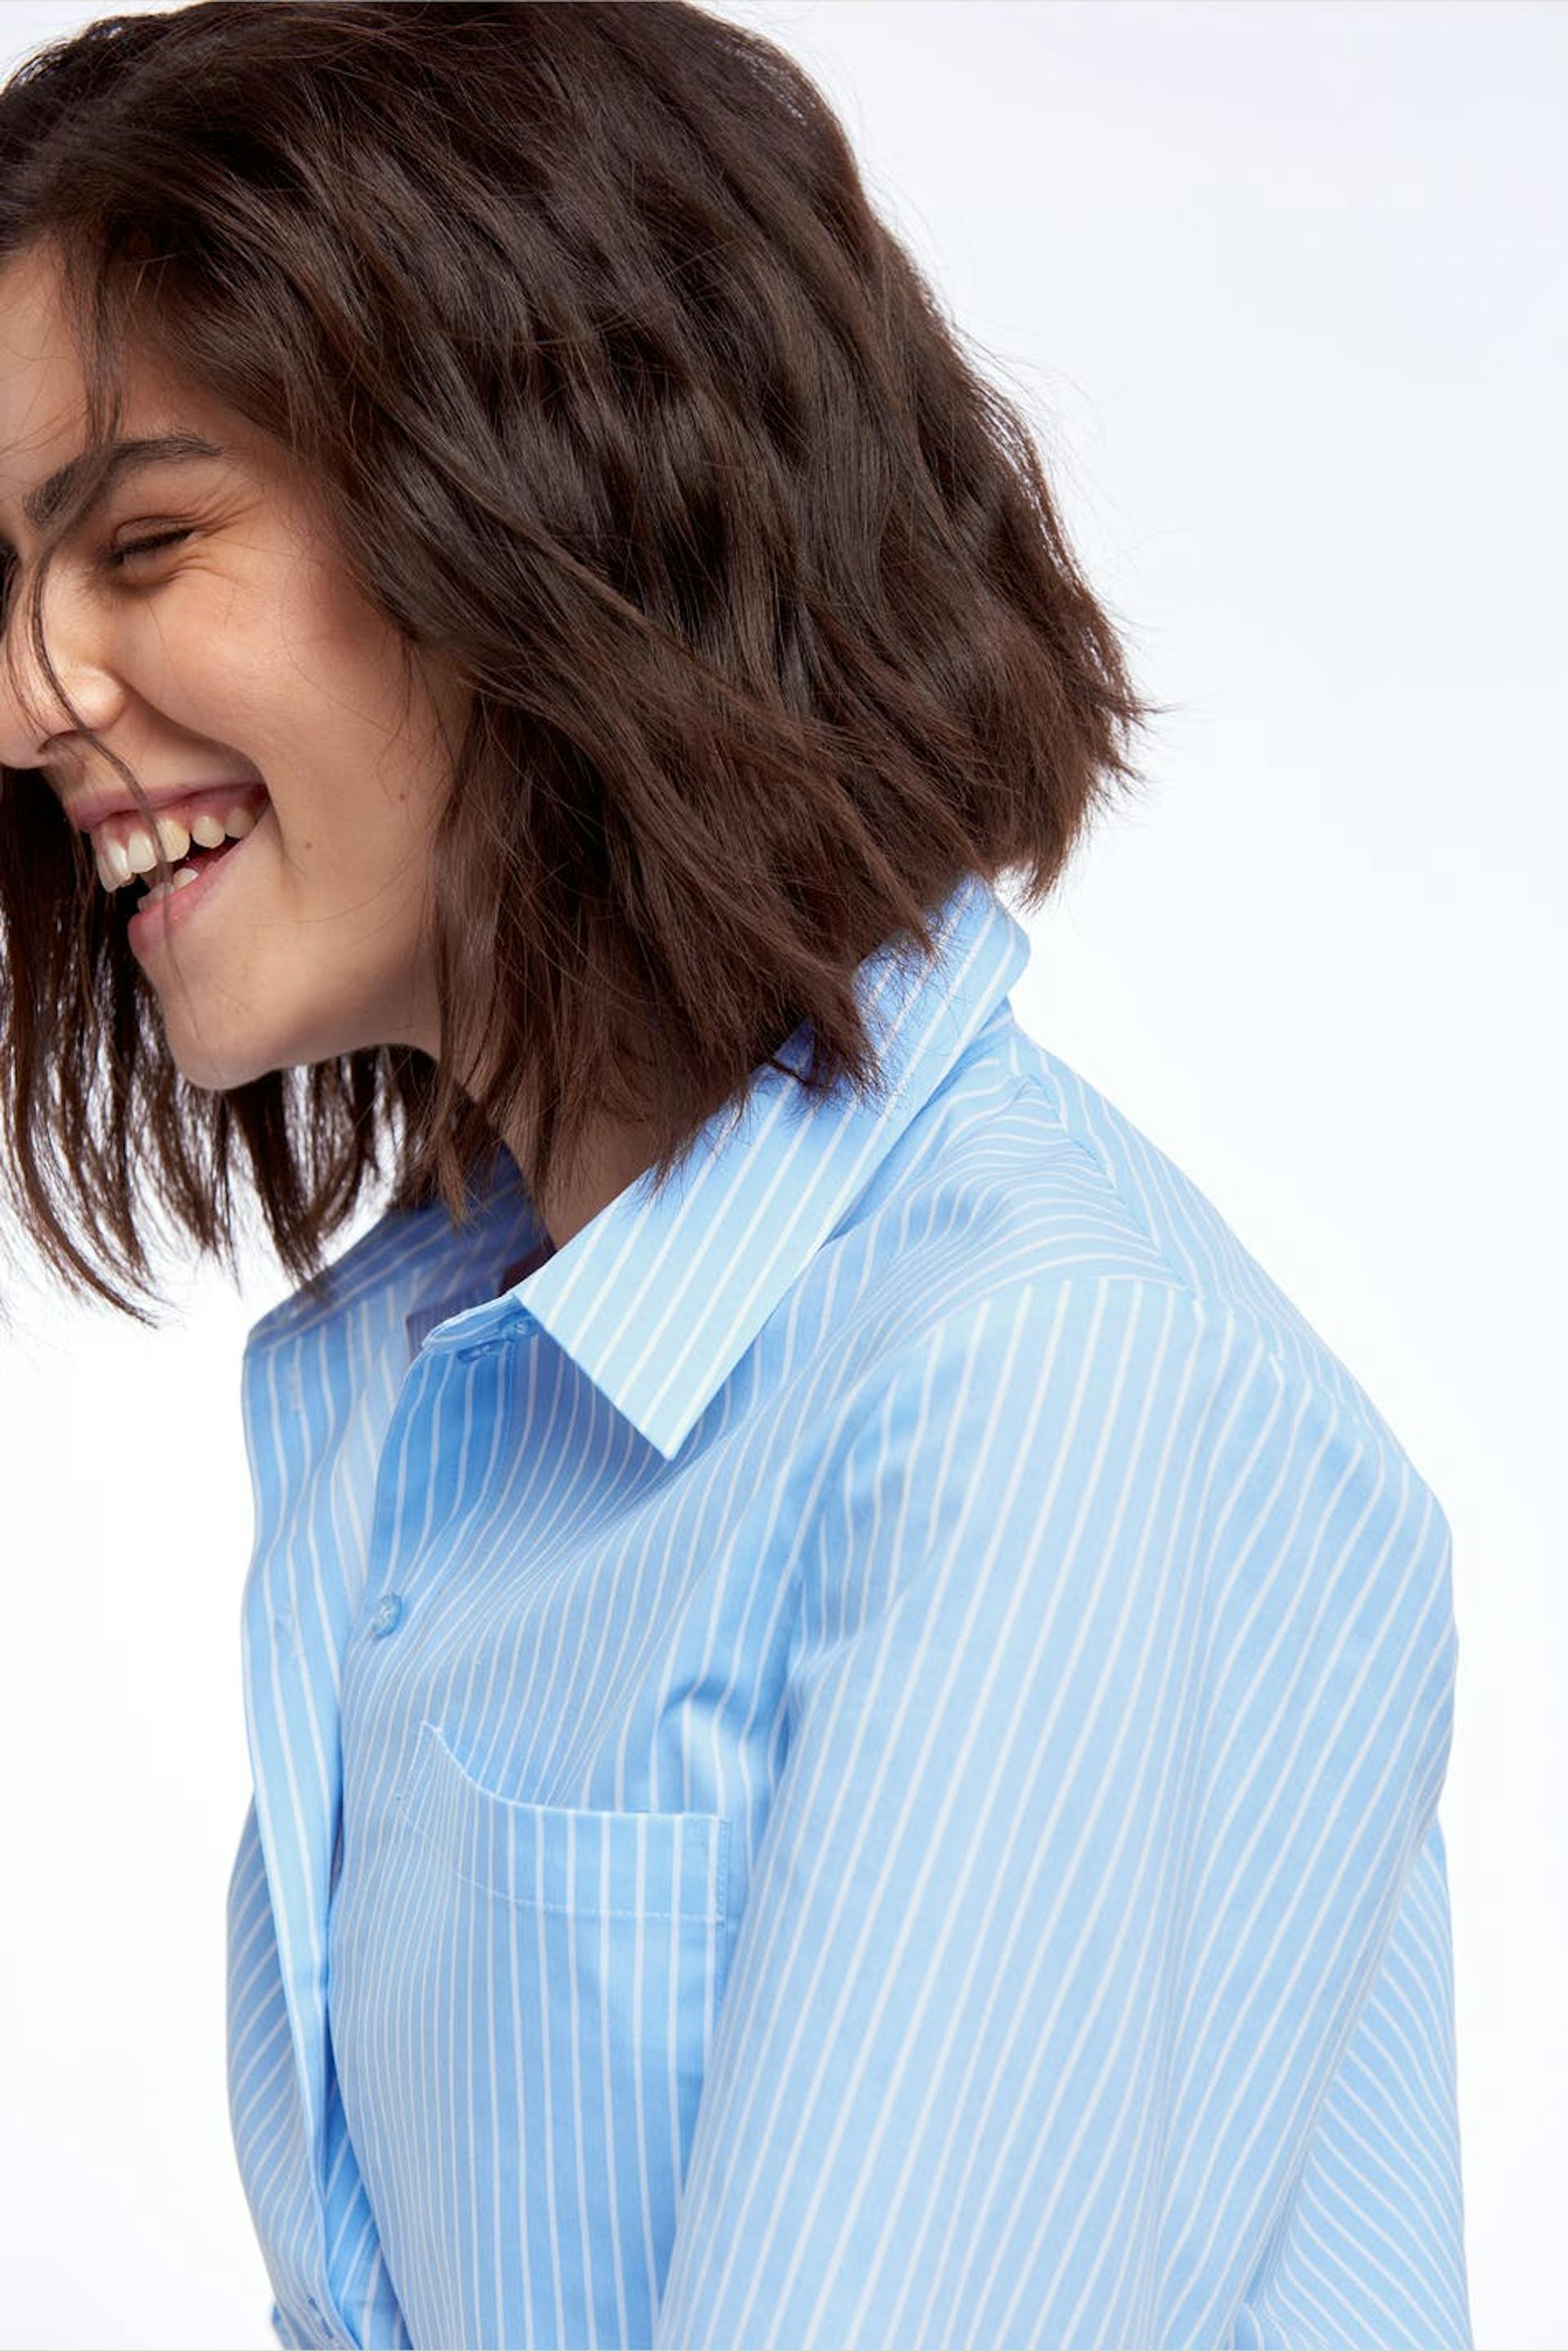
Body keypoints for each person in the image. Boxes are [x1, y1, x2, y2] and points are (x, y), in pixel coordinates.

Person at [0, 5, 1470, 2349]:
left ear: (543, 500)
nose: (25, 698)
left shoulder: (1044, 1393)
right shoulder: (446, 1393)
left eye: (147, 541)